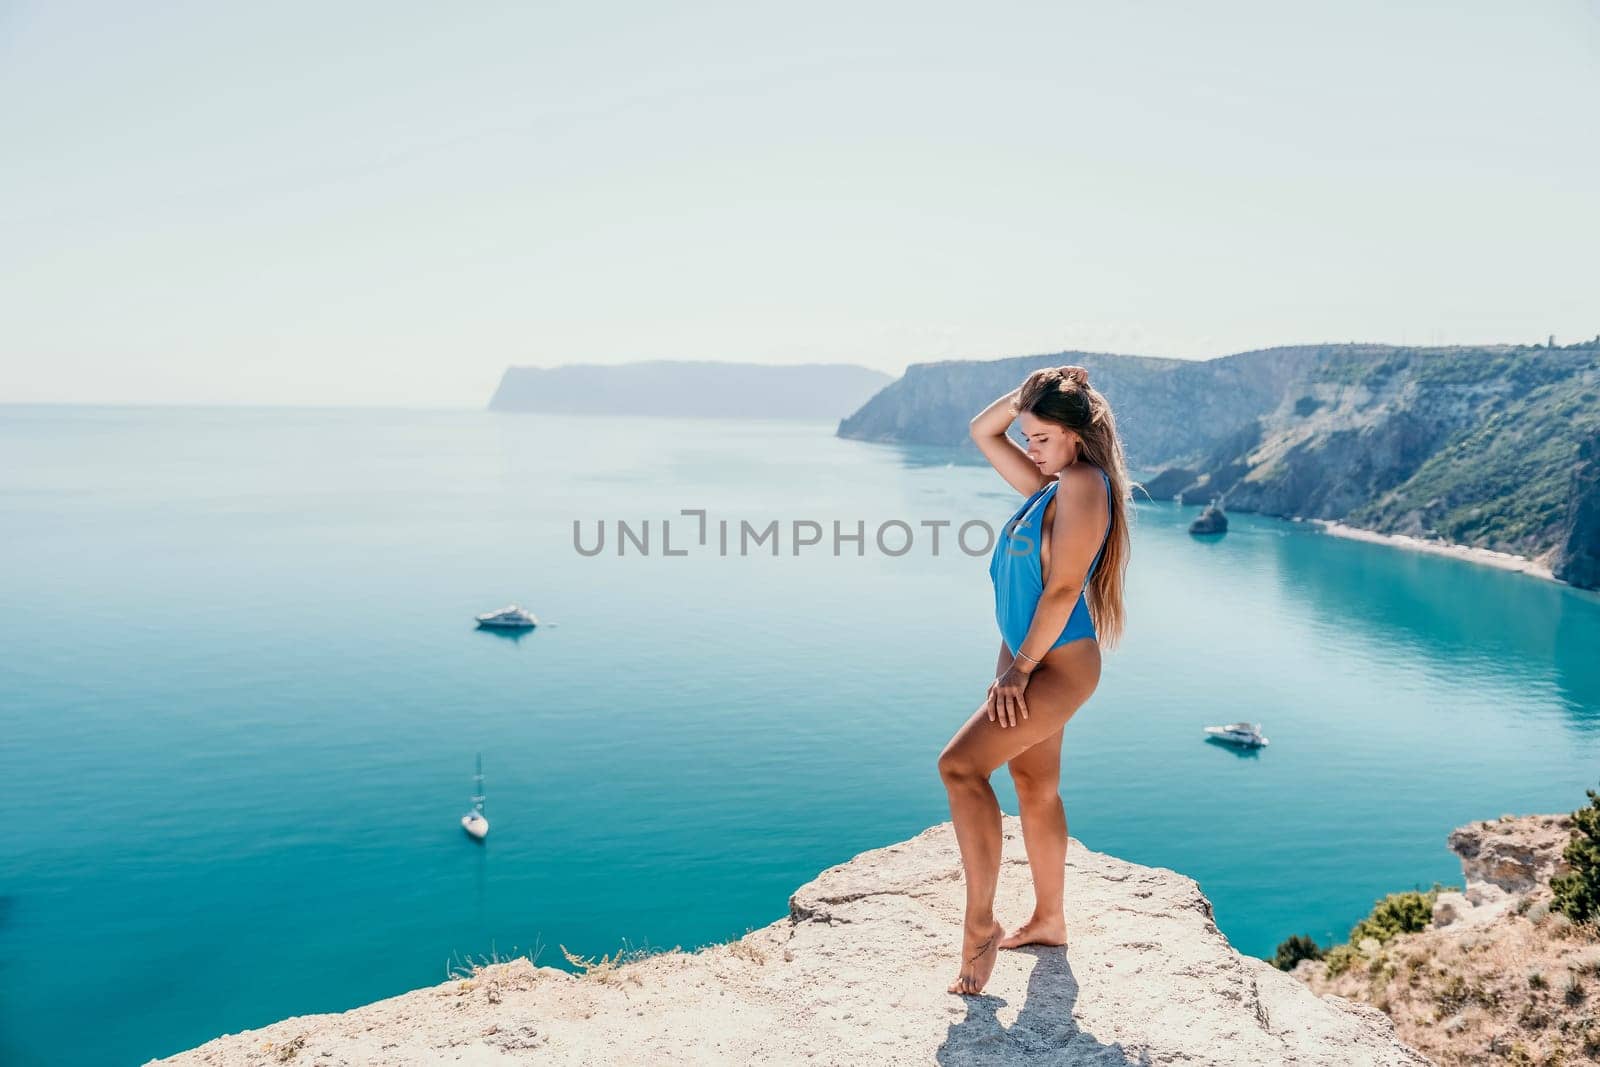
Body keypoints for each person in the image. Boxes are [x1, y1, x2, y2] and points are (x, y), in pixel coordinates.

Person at [938, 364, 1132, 996]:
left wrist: (1020, 670)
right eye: (1029, 436)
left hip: (1053, 665)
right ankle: (1050, 919)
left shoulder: (1081, 483)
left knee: (961, 768)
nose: (1029, 447)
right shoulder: (1048, 484)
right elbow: (982, 430)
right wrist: (1031, 390)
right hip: (1025, 655)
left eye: (1042, 436)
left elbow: (1066, 587)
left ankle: (980, 925)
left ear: (1077, 435)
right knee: (1035, 786)